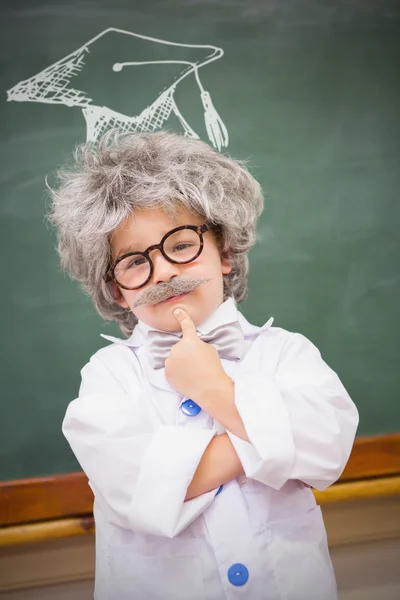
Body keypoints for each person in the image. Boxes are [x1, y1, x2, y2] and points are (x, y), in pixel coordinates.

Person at [49, 130, 359, 600]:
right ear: (116, 290)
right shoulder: (106, 377)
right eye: (134, 261)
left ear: (225, 253)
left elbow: (328, 450)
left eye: (180, 244)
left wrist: (216, 389)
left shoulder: (286, 353)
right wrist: (269, 436)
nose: (164, 272)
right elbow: (139, 490)